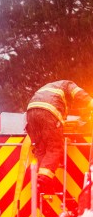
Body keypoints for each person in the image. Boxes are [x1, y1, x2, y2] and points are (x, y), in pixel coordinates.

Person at [26, 80, 93, 208]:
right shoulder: (67, 84)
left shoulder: (49, 88)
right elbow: (79, 94)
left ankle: (38, 183)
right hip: (48, 113)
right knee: (54, 148)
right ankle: (42, 182)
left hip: (31, 113)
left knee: (41, 150)